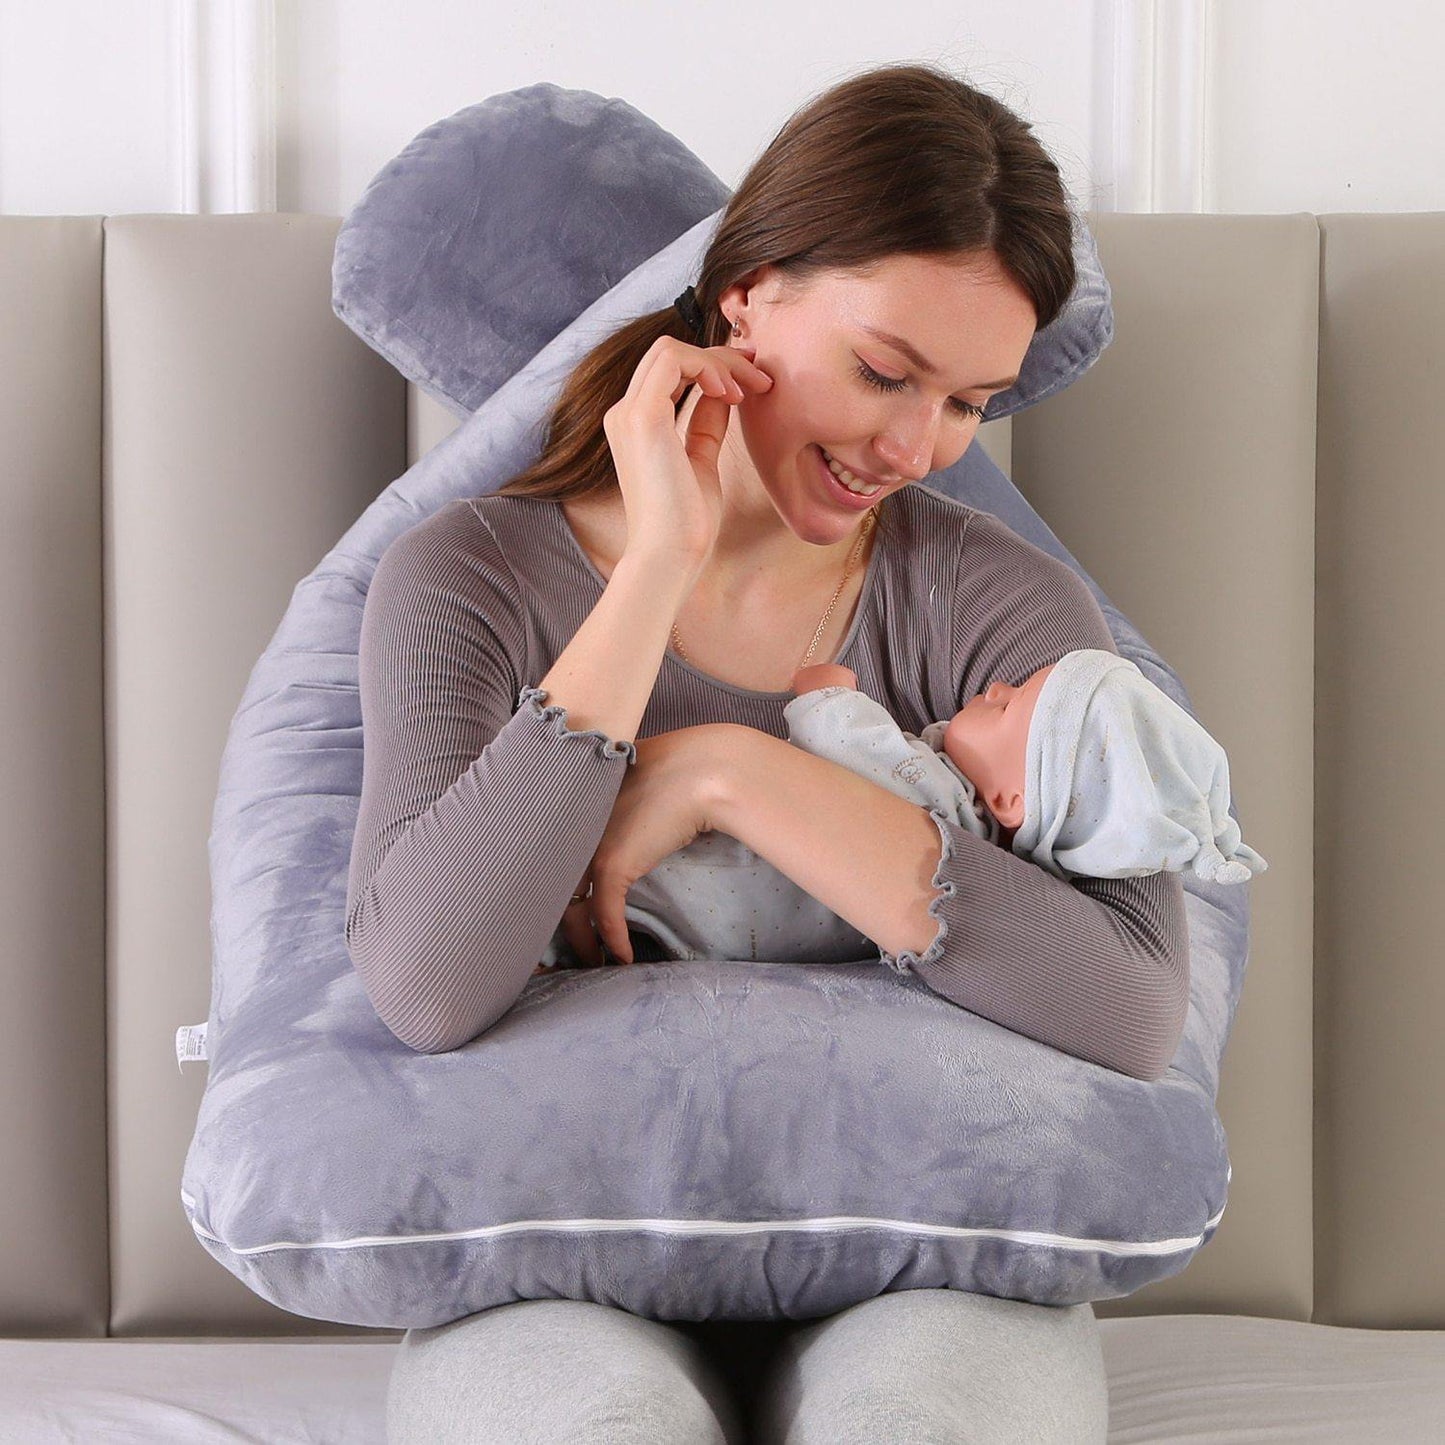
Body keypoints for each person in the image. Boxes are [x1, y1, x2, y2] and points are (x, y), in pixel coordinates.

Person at [357, 59, 1171, 1445]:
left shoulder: (992, 601)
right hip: (556, 1255)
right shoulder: (466, 578)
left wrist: (730, 776)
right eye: (882, 372)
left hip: (933, 1250)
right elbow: (427, 981)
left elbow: (1128, 1006)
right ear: (746, 293)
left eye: (971, 403)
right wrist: (654, 570)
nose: (916, 445)